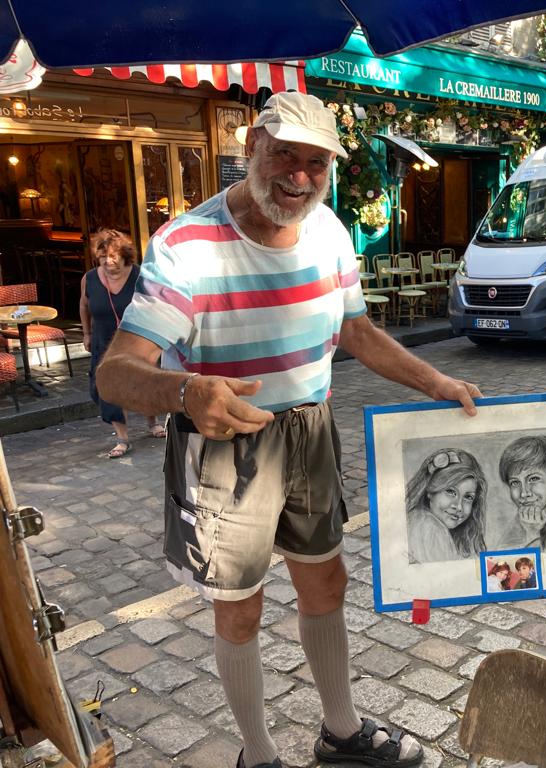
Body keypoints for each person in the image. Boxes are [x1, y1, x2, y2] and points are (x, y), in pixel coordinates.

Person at [96, 92, 481, 768]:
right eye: (284, 157)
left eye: (315, 164)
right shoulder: (185, 244)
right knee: (238, 609)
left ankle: (340, 733)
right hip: (220, 443)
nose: (299, 177)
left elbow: (357, 332)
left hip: (309, 429)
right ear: (252, 147)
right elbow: (115, 372)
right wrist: (184, 392)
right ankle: (259, 754)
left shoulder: (330, 232)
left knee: (325, 583)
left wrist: (439, 383)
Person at [79, 228, 165, 458]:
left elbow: (155, 305)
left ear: (124, 254)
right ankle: (122, 438)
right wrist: (86, 334)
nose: (108, 262)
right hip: (104, 341)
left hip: (137, 340)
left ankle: (152, 421)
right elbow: (84, 306)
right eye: (103, 257)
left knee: (145, 382)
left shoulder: (140, 276)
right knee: (107, 389)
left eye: (113, 257)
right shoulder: (89, 279)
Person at [405, 449, 486, 563]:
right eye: (450, 492)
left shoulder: (416, 519)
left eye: (468, 497)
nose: (459, 507)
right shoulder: (429, 527)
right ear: (430, 490)